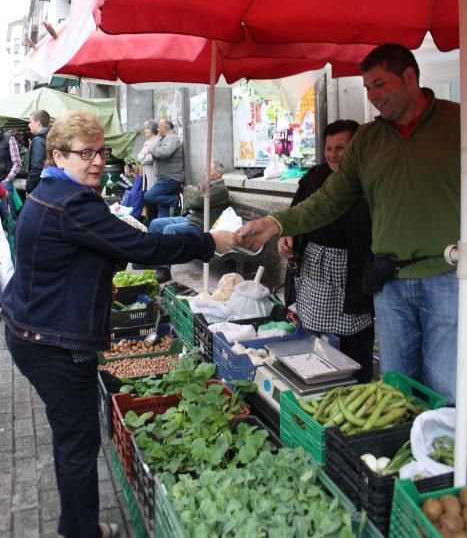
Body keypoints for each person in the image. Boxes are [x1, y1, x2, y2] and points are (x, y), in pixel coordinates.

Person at [0, 109, 235, 538]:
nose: (96, 160)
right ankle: (81, 531)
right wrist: (209, 241)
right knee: (79, 442)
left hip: (32, 327)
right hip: (53, 341)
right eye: (84, 152)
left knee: (70, 436)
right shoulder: (70, 204)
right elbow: (144, 245)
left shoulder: (53, 192)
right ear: (57, 156)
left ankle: (77, 524)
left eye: (100, 150)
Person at [237, 43, 460, 403]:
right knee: (394, 390)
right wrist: (278, 223)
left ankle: (442, 456)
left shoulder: (456, 122)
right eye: (367, 87)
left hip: (447, 279)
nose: (372, 96)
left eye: (379, 84)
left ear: (409, 77)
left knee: (446, 389)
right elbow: (329, 199)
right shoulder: (368, 140)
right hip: (390, 282)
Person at [280, 120, 374, 382]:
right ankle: (317, 386)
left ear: (357, 148)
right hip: (314, 270)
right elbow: (295, 215)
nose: (333, 154)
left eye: (340, 148)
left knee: (353, 339)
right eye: (329, 148)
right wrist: (287, 235)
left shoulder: (371, 182)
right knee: (314, 338)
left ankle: (358, 387)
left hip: (353, 272)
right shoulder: (313, 179)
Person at [146, 159, 230, 283]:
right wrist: (199, 193)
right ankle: (153, 259)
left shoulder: (220, 189)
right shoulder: (207, 186)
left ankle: (164, 269)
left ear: (218, 173)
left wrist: (200, 192)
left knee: (169, 230)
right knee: (155, 224)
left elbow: (196, 202)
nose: (205, 172)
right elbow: (190, 202)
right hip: (188, 218)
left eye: (209, 170)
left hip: (199, 224)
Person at [144, 119, 185, 221]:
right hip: (164, 178)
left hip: (171, 178)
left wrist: (151, 150)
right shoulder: (164, 138)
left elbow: (165, 152)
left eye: (159, 127)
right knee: (162, 208)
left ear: (165, 128)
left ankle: (176, 200)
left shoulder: (172, 138)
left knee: (149, 196)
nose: (157, 129)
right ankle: (162, 232)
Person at [26, 109, 50, 194]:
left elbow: (36, 168)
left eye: (30, 122)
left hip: (38, 189)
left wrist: (29, 188)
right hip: (49, 185)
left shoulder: (38, 140)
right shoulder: (52, 137)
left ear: (38, 122)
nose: (28, 125)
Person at [137, 119, 160, 190]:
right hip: (146, 172)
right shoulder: (147, 142)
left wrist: (143, 159)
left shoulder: (157, 141)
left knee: (152, 190)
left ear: (153, 129)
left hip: (153, 171)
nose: (145, 131)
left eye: (148, 128)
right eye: (145, 128)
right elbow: (139, 157)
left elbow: (150, 158)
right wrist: (144, 156)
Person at [0, 126, 22, 193]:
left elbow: (17, 163)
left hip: (4, 182)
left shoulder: (9, 139)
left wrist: (7, 180)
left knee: (6, 203)